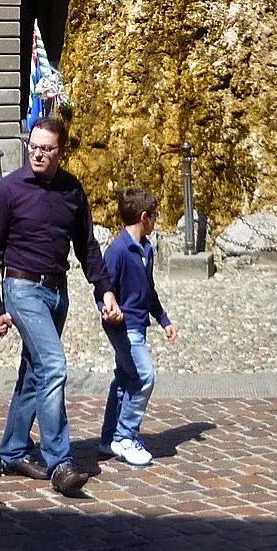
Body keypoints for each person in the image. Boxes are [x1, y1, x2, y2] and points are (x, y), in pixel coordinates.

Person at [0, 114, 122, 497]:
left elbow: (87, 246)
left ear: (62, 151)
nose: (39, 154)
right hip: (22, 288)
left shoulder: (72, 190)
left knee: (34, 372)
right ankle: (59, 461)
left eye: (47, 148)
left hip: (57, 292)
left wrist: (104, 290)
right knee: (54, 366)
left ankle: (12, 452)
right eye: (34, 146)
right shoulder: (7, 191)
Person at [98, 188, 176, 468]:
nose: (156, 222)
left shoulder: (147, 250)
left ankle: (108, 438)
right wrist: (108, 311)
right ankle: (125, 436)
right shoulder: (118, 251)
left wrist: (164, 319)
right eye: (154, 217)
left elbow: (148, 291)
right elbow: (103, 289)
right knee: (144, 377)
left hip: (139, 325)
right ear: (144, 217)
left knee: (124, 379)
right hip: (124, 328)